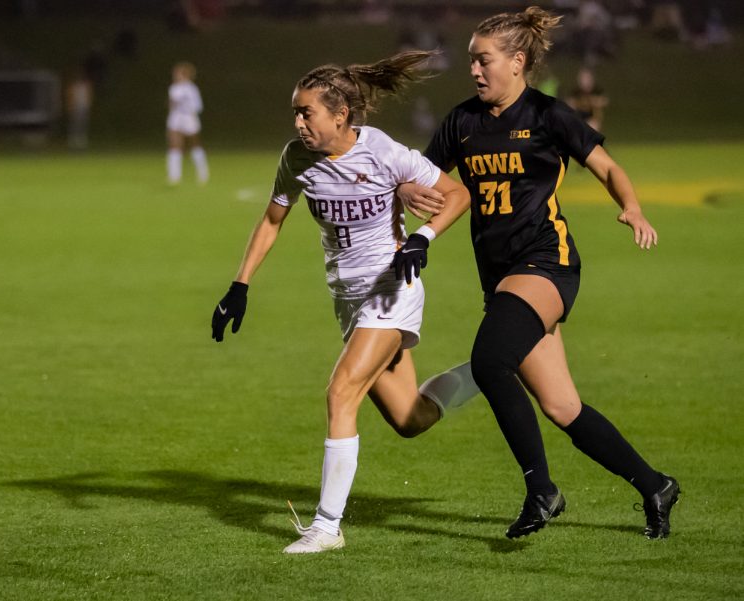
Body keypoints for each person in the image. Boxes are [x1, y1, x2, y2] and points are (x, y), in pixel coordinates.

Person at [398, 6, 680, 540]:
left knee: (489, 360)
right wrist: (407, 191)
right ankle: (655, 484)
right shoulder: (461, 122)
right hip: (501, 276)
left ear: (517, 61)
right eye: (471, 62)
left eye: (484, 61)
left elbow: (608, 167)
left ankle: (541, 490)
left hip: (548, 262)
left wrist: (633, 207)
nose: (475, 71)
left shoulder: (550, 114)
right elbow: (423, 179)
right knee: (562, 406)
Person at [211, 50, 476, 554]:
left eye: (305, 111)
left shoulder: (382, 151)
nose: (297, 121)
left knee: (340, 394)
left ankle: (326, 527)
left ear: (340, 115)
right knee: (410, 418)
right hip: (350, 300)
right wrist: (239, 285)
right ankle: (491, 367)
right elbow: (271, 220)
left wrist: (423, 237)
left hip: (392, 288)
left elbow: (456, 194)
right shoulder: (296, 158)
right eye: (295, 111)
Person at [166, 61, 209, 185]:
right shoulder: (174, 88)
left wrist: (187, 109)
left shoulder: (192, 89)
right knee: (174, 145)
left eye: (178, 73)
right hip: (176, 118)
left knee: (194, 144)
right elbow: (171, 104)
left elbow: (198, 106)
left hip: (189, 118)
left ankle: (202, 171)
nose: (175, 75)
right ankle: (174, 176)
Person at [566, 66, 608, 131]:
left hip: (592, 118)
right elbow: (569, 103)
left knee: (593, 125)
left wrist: (593, 101)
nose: (585, 81)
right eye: (583, 78)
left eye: (587, 78)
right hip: (578, 118)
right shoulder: (576, 92)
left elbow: (604, 101)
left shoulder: (596, 90)